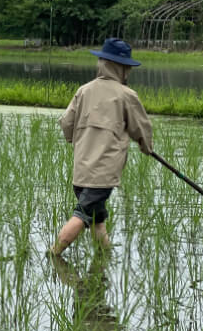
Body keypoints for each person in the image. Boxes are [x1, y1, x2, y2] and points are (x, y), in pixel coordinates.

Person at [50, 38, 152, 255]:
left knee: (97, 218)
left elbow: (66, 122)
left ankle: (104, 256)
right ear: (122, 68)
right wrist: (146, 147)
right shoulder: (127, 95)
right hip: (103, 173)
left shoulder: (84, 90)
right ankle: (54, 254)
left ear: (103, 63)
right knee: (83, 215)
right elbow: (141, 128)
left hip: (81, 169)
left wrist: (78, 142)